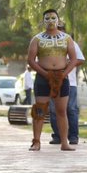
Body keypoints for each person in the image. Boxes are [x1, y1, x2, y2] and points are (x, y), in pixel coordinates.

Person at [26, 9, 77, 151]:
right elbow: (31, 60)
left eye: (53, 18)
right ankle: (36, 142)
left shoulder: (66, 38)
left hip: (61, 77)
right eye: (47, 18)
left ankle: (64, 142)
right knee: (40, 111)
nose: (50, 21)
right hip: (43, 78)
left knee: (61, 111)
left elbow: (73, 59)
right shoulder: (37, 39)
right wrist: (45, 73)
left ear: (58, 20)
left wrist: (63, 74)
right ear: (43, 21)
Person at [49, 19, 84, 145]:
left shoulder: (71, 43)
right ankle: (57, 136)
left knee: (71, 109)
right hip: (53, 83)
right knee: (53, 109)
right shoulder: (46, 44)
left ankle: (73, 136)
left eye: (61, 28)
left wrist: (67, 63)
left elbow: (80, 59)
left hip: (70, 83)